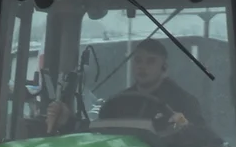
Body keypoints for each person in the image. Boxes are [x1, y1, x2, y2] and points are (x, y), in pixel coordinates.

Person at [47, 38, 207, 133]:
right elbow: (99, 135)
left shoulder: (184, 103)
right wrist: (68, 121)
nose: (142, 67)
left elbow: (207, 140)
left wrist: (187, 128)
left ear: (164, 68)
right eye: (138, 61)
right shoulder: (117, 104)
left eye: (150, 61)